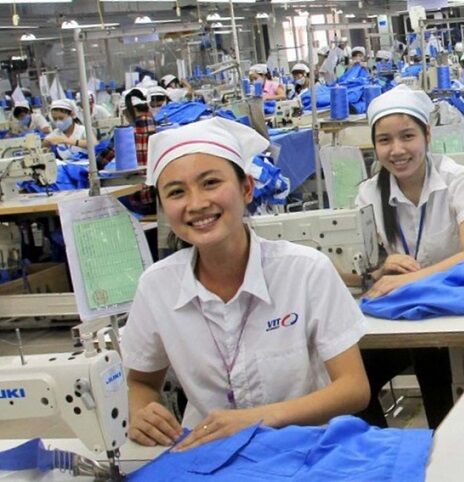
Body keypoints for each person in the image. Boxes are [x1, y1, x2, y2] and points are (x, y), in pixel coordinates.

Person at [121, 116, 369, 450]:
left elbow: (354, 388)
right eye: (176, 192)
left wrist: (255, 420)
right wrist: (141, 412)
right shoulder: (157, 287)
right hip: (208, 454)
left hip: (304, 449)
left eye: (210, 183)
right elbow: (141, 382)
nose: (196, 203)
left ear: (247, 188)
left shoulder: (306, 271)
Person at [354, 84, 464, 428]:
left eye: (407, 136)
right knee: (355, 385)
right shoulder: (368, 195)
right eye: (384, 140)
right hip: (405, 315)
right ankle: (387, 450)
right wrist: (381, 268)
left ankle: (443, 440)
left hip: (454, 305)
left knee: (434, 365)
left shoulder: (456, 179)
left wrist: (409, 279)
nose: (397, 150)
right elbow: (361, 271)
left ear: (428, 135)